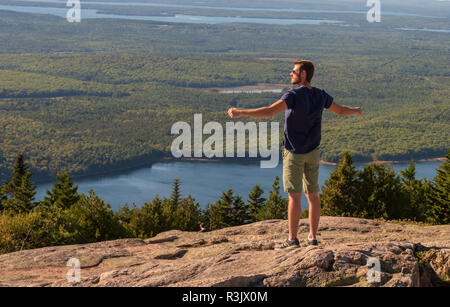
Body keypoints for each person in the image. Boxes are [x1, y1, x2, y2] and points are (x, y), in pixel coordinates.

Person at [227, 59, 362, 248]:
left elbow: (267, 112)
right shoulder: (320, 95)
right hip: (313, 152)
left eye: (294, 71)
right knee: (313, 196)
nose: (291, 74)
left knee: (294, 196)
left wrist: (241, 113)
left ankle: (292, 239)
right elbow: (340, 110)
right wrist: (355, 110)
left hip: (294, 153)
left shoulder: (293, 95)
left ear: (303, 74)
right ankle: (312, 238)